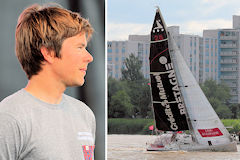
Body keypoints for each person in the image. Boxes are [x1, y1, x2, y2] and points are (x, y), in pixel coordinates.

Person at [0, 3, 96, 160]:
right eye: (79, 47)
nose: (89, 57)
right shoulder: (9, 118)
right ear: (49, 52)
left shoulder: (85, 115)